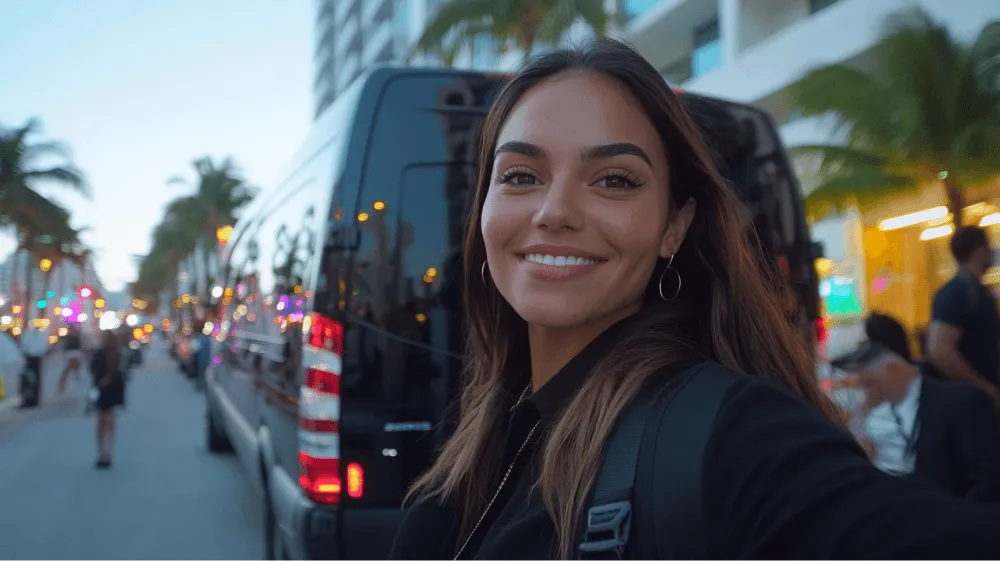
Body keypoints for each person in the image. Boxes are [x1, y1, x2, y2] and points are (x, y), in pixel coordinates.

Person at [388, 39, 1000, 561]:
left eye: (613, 180)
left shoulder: (729, 436)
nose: (554, 212)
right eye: (521, 175)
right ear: (485, 209)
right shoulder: (502, 421)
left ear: (674, 227)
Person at [834, 336, 1000, 502]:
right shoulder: (873, 416)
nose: (866, 395)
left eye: (870, 384)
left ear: (892, 370)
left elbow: (989, 478)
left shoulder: (961, 403)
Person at [926, 225, 1000, 402]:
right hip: (973, 402)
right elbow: (939, 350)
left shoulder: (977, 291)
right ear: (981, 251)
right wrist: (981, 387)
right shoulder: (957, 293)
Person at [90, 329, 125, 468]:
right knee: (111, 423)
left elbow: (93, 369)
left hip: (102, 391)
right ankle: (109, 453)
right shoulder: (118, 354)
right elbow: (122, 375)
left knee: (101, 423)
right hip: (114, 392)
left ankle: (101, 453)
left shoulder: (100, 353)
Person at [19, 326, 49, 408]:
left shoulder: (28, 336)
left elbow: (23, 346)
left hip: (31, 358)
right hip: (35, 359)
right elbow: (43, 348)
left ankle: (29, 399)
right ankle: (33, 399)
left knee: (30, 378)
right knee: (34, 378)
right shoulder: (40, 337)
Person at [57, 328, 85, 394]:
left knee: (68, 369)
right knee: (69, 369)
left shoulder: (69, 337)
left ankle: (65, 383)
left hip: (71, 353)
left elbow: (65, 345)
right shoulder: (74, 337)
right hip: (73, 353)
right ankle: (65, 383)